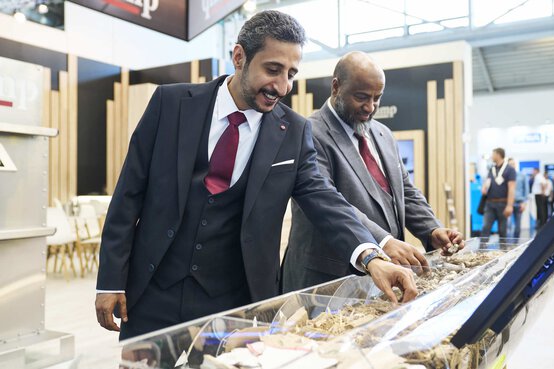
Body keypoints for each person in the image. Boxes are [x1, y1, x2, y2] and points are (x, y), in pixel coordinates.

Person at [95, 10, 418, 340]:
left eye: (291, 73)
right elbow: (128, 196)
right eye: (273, 69)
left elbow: (326, 201)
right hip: (152, 292)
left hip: (235, 304)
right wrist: (109, 280)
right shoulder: (171, 103)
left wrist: (371, 258)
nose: (282, 86)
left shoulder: (293, 131)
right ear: (239, 57)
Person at [282, 52, 464, 292]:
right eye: (361, 97)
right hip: (327, 280)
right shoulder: (309, 132)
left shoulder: (383, 134)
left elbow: (404, 192)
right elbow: (328, 202)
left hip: (382, 275)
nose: (370, 107)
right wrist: (383, 241)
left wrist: (431, 229)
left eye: (377, 98)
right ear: (336, 86)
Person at [481, 148, 516, 238]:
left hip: (503, 204)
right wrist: (484, 187)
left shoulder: (510, 170)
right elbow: (487, 182)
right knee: (485, 228)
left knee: (502, 230)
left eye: (493, 154)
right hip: (489, 203)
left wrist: (509, 205)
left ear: (498, 155)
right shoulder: (492, 169)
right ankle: (480, 250)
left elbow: (511, 188)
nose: (491, 156)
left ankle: (503, 251)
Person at [507, 158, 528, 239]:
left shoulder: (522, 175)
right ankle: (507, 243)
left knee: (518, 225)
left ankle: (515, 243)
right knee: (507, 225)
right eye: (510, 164)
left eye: (513, 164)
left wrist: (524, 203)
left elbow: (526, 190)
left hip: (519, 203)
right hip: (508, 203)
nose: (512, 166)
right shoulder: (506, 177)